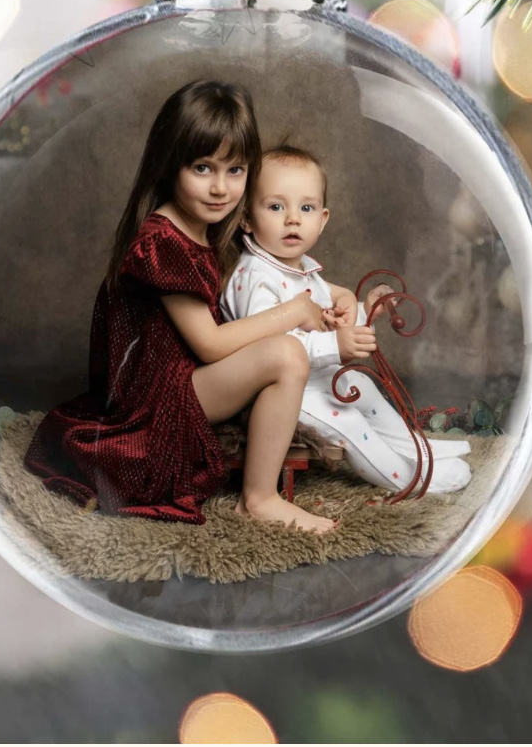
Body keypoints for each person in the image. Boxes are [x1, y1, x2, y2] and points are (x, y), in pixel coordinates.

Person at [24, 81, 337, 534]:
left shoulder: (199, 227)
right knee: (286, 354)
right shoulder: (161, 243)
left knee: (281, 349)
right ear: (170, 164)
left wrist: (336, 295)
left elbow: (269, 267)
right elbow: (209, 345)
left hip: (181, 381)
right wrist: (295, 312)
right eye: (202, 168)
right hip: (157, 402)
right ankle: (260, 499)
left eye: (236, 171)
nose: (220, 188)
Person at [220, 144, 473, 494]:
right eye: (276, 206)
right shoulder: (255, 276)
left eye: (305, 208)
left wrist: (367, 309)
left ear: (322, 219)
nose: (293, 218)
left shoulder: (304, 271)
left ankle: (415, 450)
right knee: (349, 423)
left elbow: (329, 321)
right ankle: (407, 478)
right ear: (246, 217)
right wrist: (335, 344)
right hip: (278, 395)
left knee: (363, 387)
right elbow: (267, 347)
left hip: (317, 378)